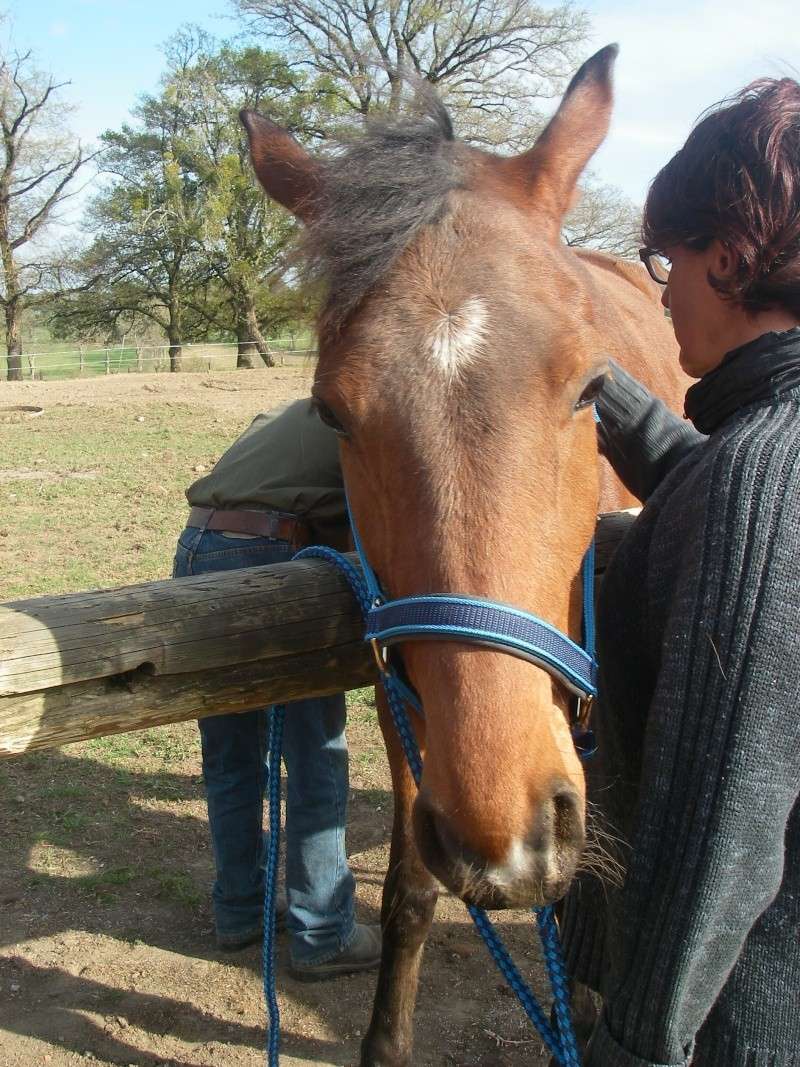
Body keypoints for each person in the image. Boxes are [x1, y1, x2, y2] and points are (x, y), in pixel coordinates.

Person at [558, 78, 800, 1066]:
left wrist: (636, 1039)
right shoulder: (755, 460)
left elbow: (718, 825)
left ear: (732, 259)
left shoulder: (758, 476)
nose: (657, 291)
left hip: (732, 1018)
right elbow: (738, 504)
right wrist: (609, 399)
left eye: (669, 258)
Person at [173, 398, 381, 979]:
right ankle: (323, 931)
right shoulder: (374, 415)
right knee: (315, 751)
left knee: (232, 754)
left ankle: (239, 910)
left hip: (197, 546)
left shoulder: (283, 417)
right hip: (272, 550)